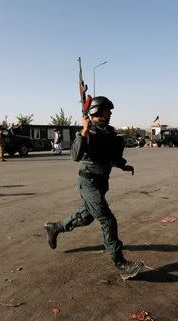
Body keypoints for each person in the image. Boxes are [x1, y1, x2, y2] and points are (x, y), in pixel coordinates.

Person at [44, 96, 144, 280]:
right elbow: (75, 155)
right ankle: (120, 262)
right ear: (99, 111)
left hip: (100, 184)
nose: (111, 113)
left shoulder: (109, 133)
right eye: (108, 110)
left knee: (86, 217)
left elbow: (110, 155)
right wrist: (84, 131)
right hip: (88, 183)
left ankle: (55, 227)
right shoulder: (86, 132)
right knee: (107, 220)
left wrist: (123, 165)